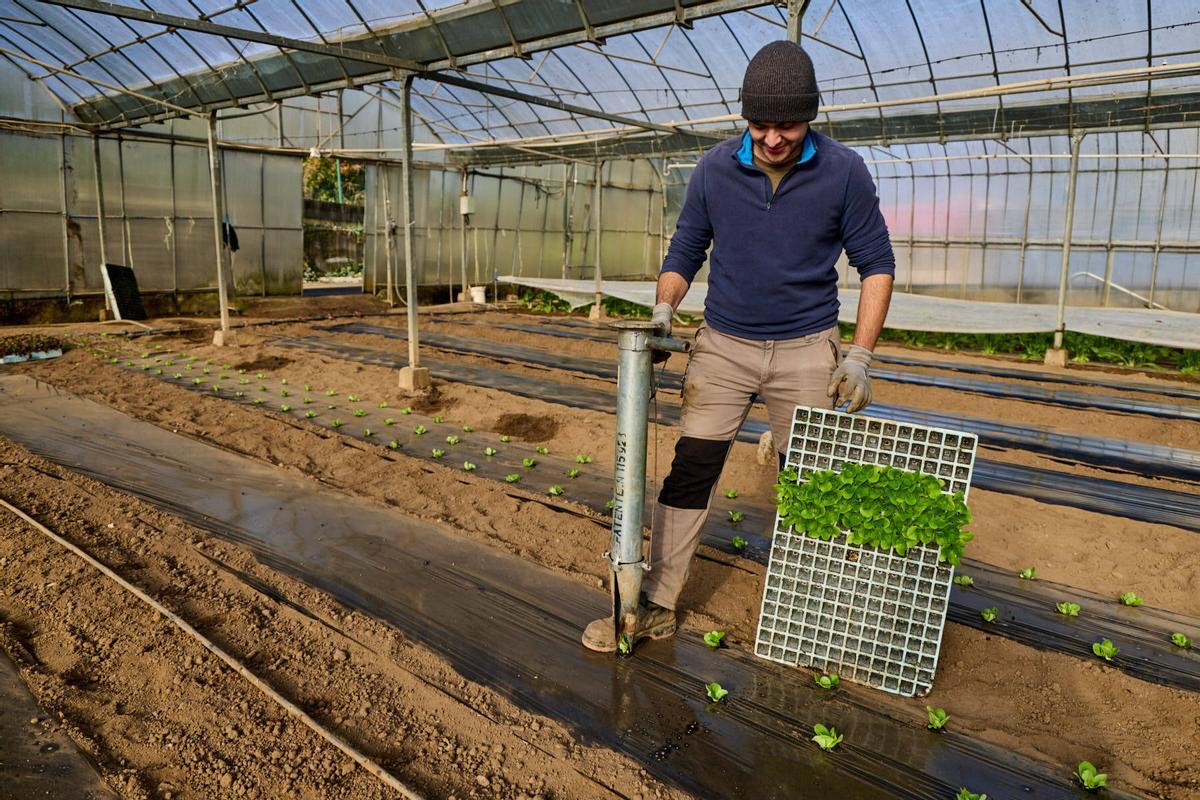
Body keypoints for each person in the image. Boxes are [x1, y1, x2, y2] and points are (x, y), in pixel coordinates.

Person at [582, 40, 895, 652]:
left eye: (787, 125)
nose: (773, 137)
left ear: (812, 117)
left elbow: (876, 264)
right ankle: (654, 602)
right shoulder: (714, 168)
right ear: (743, 116)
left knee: (810, 478)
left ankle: (818, 617)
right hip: (723, 345)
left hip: (807, 348)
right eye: (759, 124)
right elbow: (686, 249)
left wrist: (859, 356)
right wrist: (665, 307)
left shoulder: (844, 171)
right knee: (691, 468)